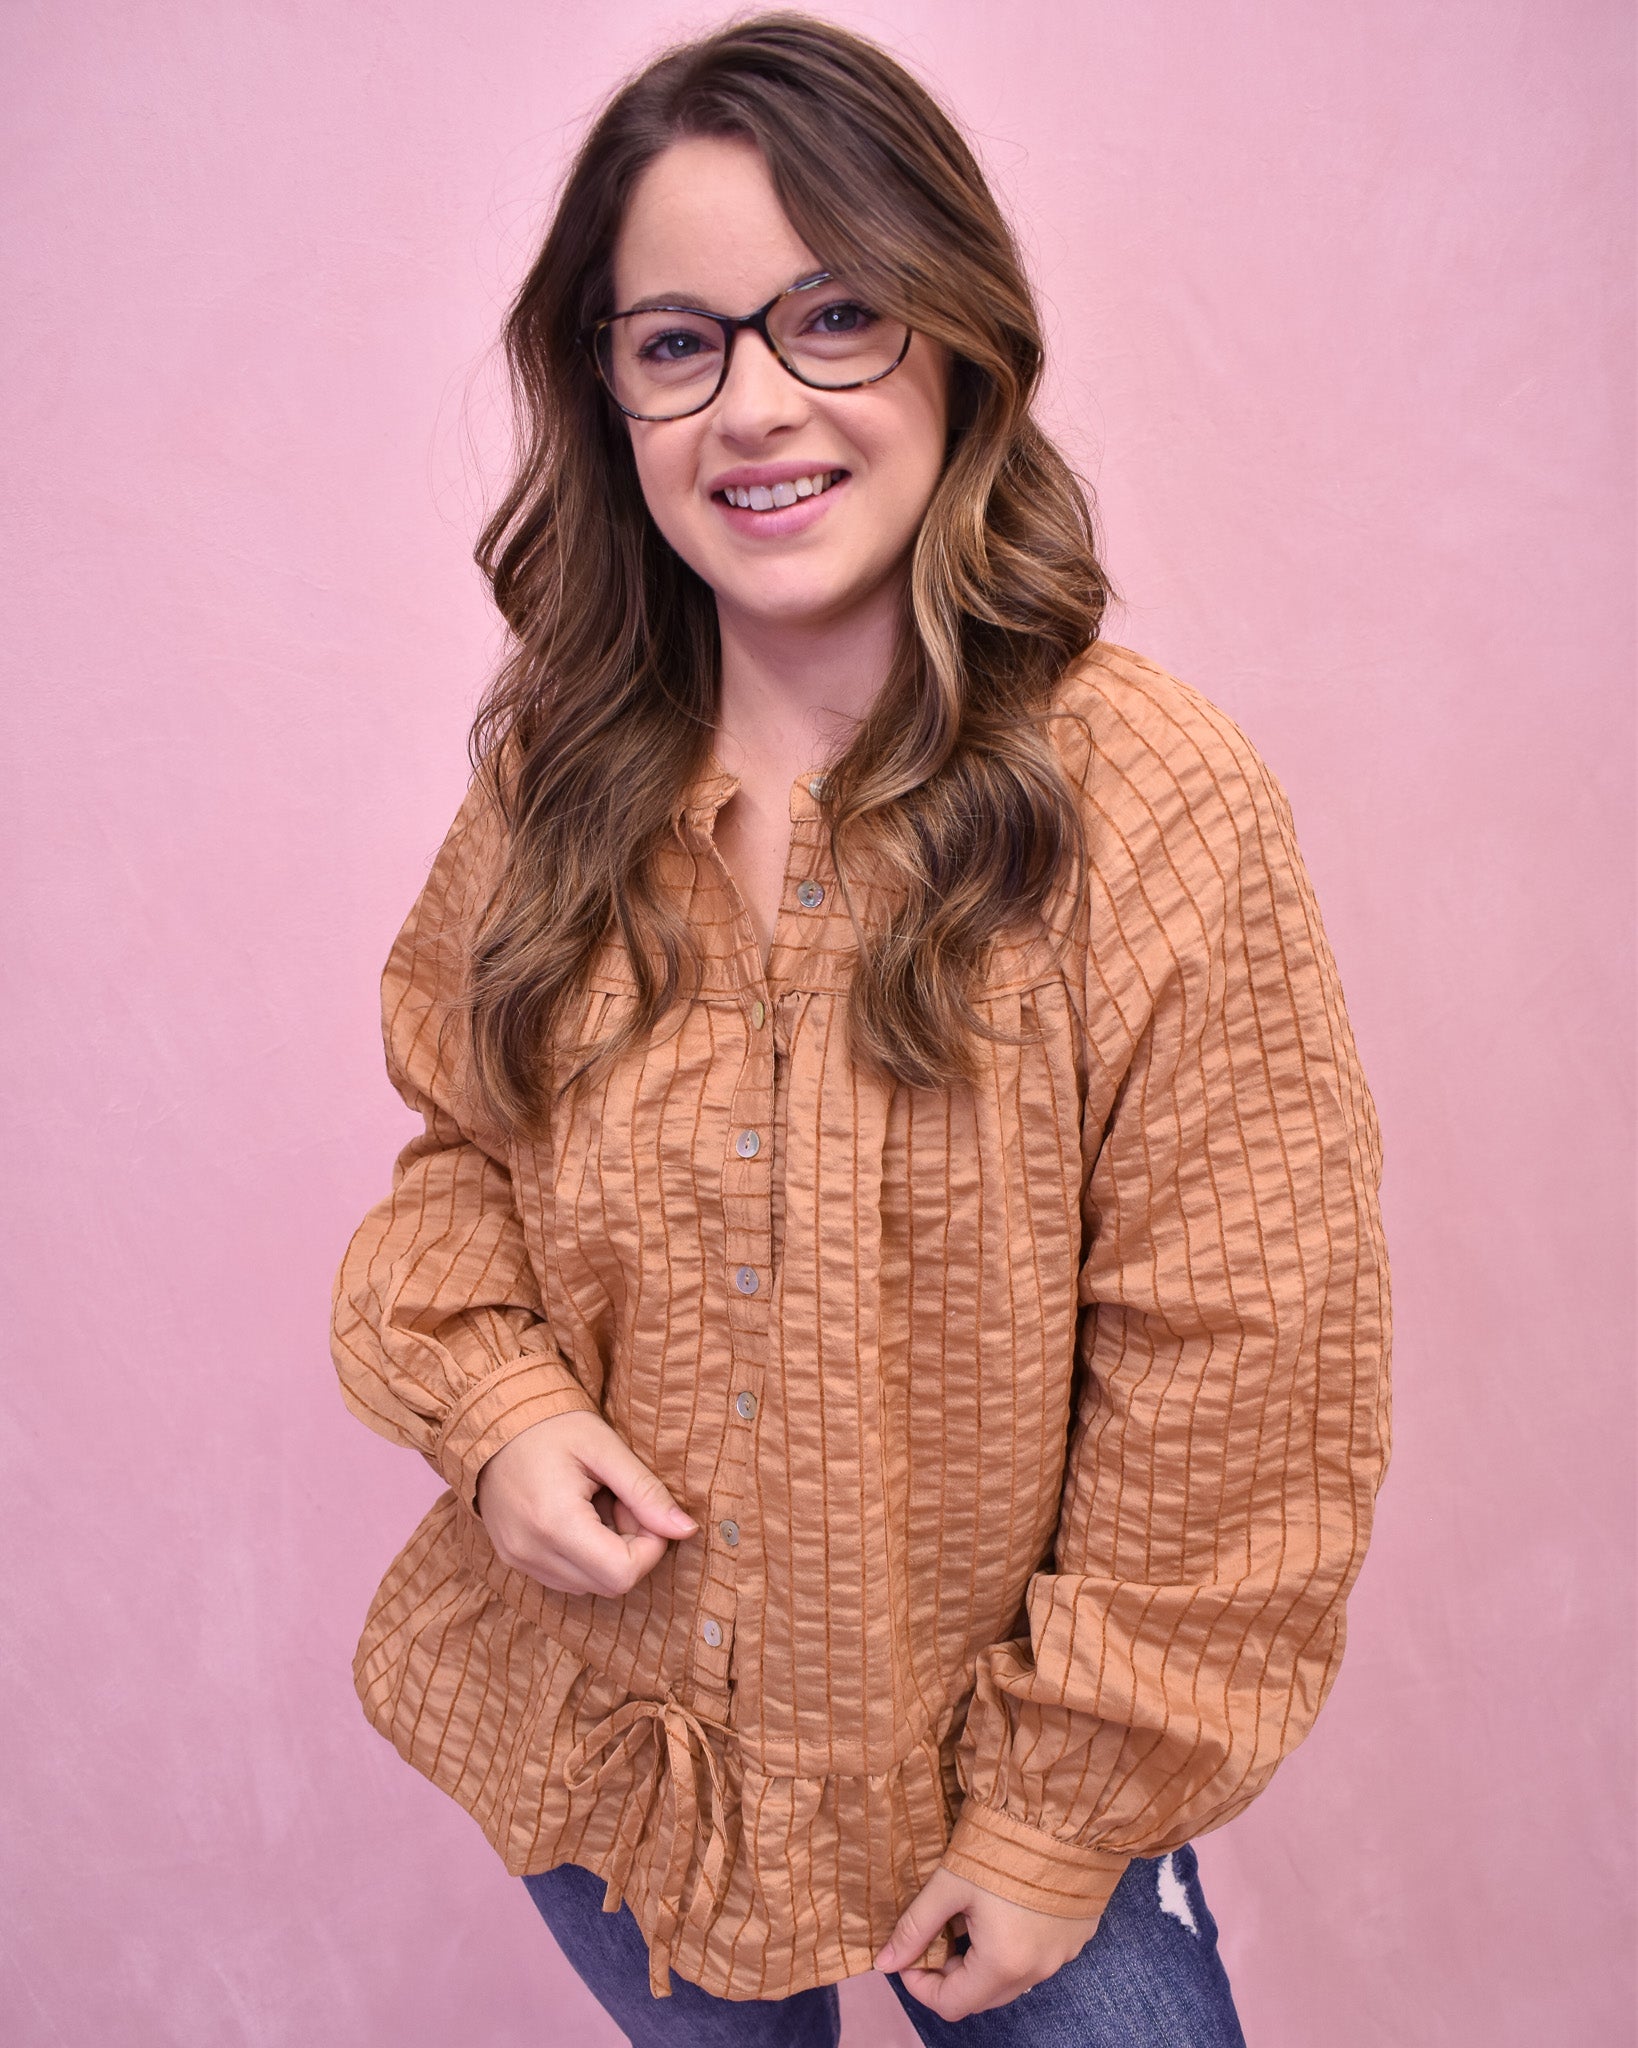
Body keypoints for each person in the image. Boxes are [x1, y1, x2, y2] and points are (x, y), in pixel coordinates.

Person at [329, 14, 1392, 2045]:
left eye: (832, 315)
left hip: (1001, 1792)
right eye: (675, 342)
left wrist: (1067, 1820)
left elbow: (1240, 1359)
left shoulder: (1146, 802)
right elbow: (464, 1155)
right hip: (626, 1752)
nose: (754, 403)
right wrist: (501, 1413)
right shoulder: (564, 775)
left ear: (957, 339)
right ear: (611, 391)